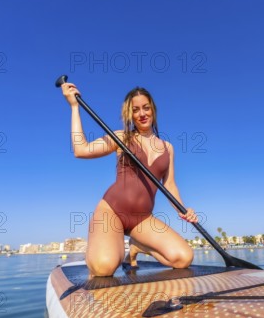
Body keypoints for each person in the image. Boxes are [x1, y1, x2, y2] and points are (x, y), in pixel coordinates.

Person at [62, 82, 197, 277]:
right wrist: (74, 107)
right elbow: (80, 150)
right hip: (112, 212)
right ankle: (101, 248)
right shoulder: (121, 137)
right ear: (130, 114)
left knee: (183, 258)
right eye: (135, 110)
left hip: (143, 219)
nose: (142, 114)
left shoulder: (168, 148)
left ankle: (137, 246)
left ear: (153, 110)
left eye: (146, 108)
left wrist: (184, 210)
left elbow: (169, 185)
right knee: (104, 268)